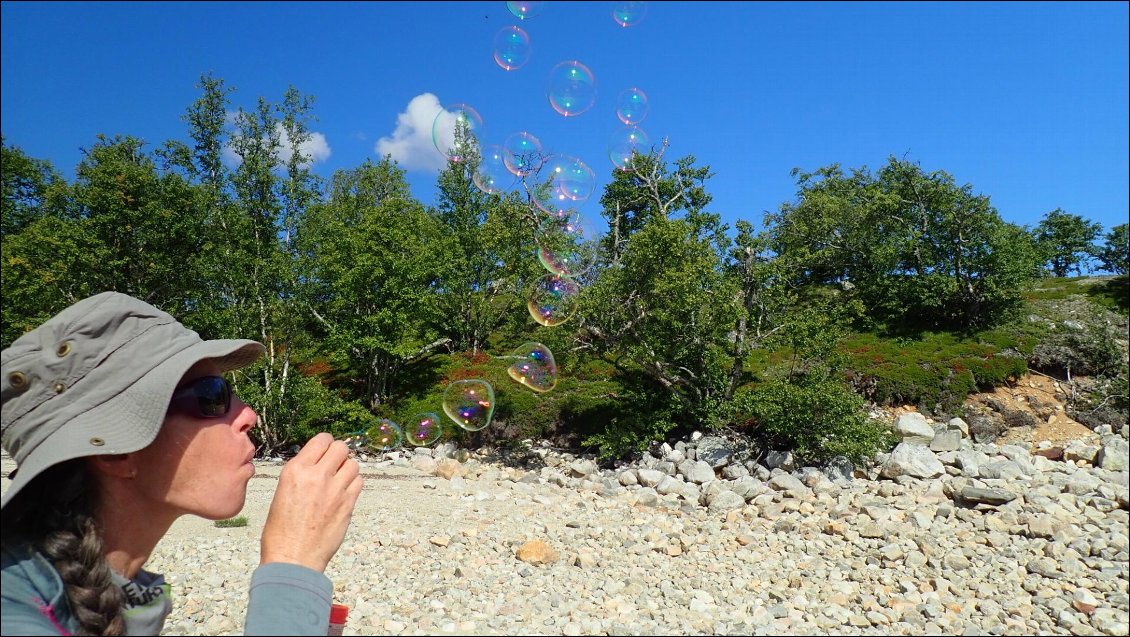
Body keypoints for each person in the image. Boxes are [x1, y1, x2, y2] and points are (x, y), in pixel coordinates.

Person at [1, 291, 363, 635]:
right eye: (211, 396)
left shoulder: (93, 591)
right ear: (116, 452)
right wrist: (292, 565)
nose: (248, 415)